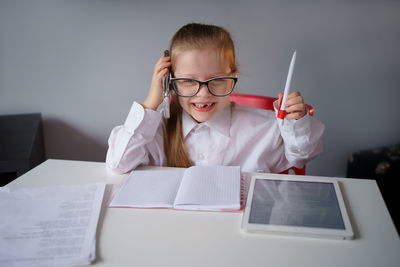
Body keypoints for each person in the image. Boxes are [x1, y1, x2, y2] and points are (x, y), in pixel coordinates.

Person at [106, 22, 324, 174]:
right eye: (188, 81)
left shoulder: (265, 128)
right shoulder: (154, 131)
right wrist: (151, 102)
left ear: (232, 77)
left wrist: (296, 123)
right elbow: (118, 164)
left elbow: (302, 155)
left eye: (216, 79)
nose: (203, 93)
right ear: (169, 82)